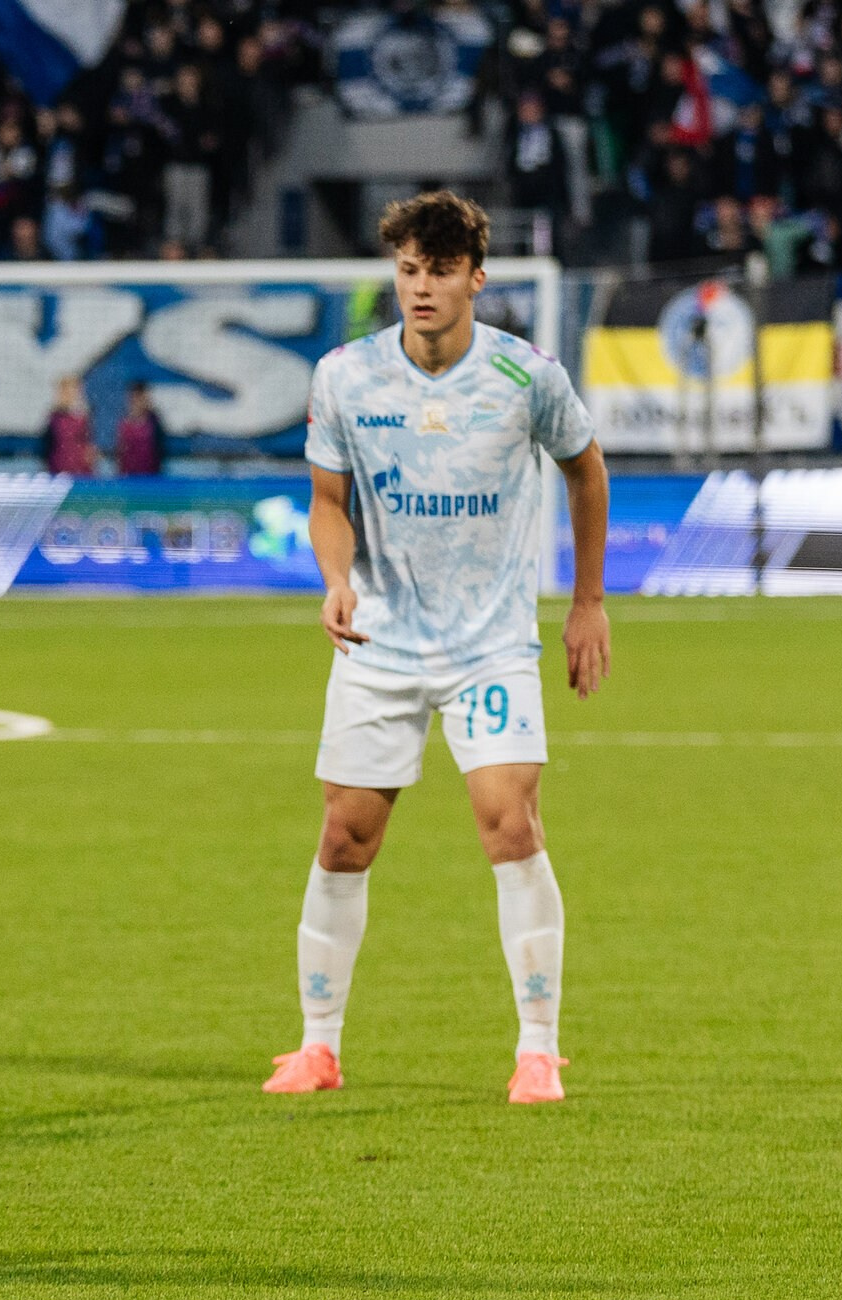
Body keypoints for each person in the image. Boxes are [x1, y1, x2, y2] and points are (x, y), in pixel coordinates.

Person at [265, 191, 610, 1105]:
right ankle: (317, 1047)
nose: (421, 288)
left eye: (441, 271)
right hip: (379, 640)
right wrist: (335, 578)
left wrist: (587, 602)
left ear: (476, 279)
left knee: (509, 821)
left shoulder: (526, 376)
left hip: (490, 644)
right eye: (409, 270)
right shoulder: (346, 377)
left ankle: (539, 1049)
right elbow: (328, 501)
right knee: (345, 835)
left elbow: (586, 470)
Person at [43, 375, 96, 475]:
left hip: (81, 471)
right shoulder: (55, 417)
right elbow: (48, 445)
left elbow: (89, 445)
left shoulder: (84, 417)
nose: (70, 395)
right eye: (65, 391)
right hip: (59, 468)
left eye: (73, 391)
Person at [114, 381, 165, 476]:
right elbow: (119, 453)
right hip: (128, 476)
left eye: (141, 399)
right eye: (135, 399)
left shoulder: (154, 422)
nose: (137, 403)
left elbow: (160, 450)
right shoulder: (123, 424)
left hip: (150, 476)